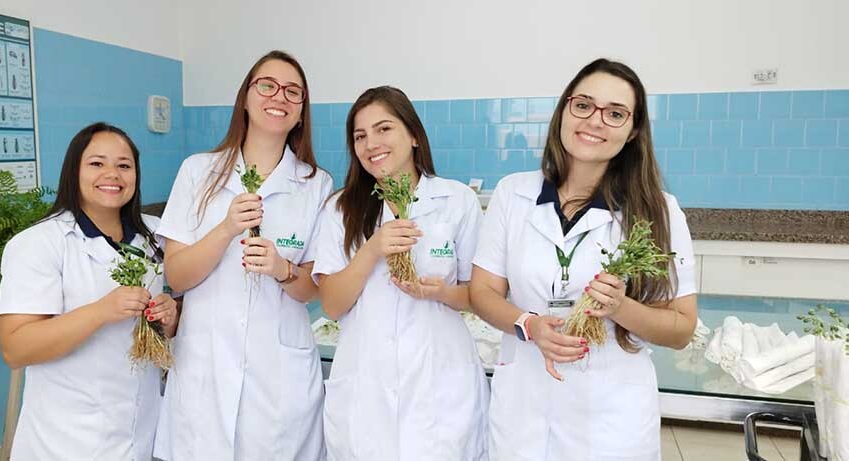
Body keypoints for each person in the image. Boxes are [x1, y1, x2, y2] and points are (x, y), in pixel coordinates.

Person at [469, 58, 699, 460]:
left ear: (633, 131)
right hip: (523, 411)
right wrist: (529, 325)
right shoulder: (513, 193)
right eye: (583, 105)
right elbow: (482, 292)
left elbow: (680, 329)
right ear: (564, 110)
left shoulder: (658, 210)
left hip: (610, 422)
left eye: (614, 114)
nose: (595, 121)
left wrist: (620, 306)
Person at [153, 50, 331, 460]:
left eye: (293, 92)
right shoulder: (198, 171)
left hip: (279, 379)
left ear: (301, 113)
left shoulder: (316, 184)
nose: (279, 97)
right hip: (205, 368)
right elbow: (177, 277)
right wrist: (226, 229)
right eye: (266, 85)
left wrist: (281, 268)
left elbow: (311, 291)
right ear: (246, 99)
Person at [313, 86, 488, 460]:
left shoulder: (456, 200)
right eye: (360, 136)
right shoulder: (340, 209)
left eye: (383, 129)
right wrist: (373, 249)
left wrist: (440, 292)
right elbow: (330, 303)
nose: (370, 143)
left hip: (439, 385)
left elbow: (480, 295)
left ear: (412, 135)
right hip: (366, 387)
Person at [0, 122, 178, 460]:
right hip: (68, 441)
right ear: (73, 171)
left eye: (124, 165)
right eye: (97, 163)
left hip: (142, 432)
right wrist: (100, 312)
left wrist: (170, 316)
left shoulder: (156, 236)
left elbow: (176, 317)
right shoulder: (39, 244)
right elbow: (15, 348)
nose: (112, 174)